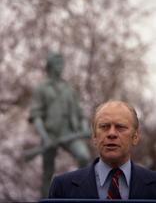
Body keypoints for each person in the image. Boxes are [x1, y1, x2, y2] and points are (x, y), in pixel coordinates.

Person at [48, 100, 156, 200]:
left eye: (120, 127)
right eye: (104, 126)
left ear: (135, 137)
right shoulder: (63, 187)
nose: (111, 134)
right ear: (94, 136)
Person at [28, 51, 90, 198]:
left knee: (84, 156)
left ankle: (80, 194)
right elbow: (36, 116)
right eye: (57, 63)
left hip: (70, 133)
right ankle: (45, 199)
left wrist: (85, 127)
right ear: (50, 65)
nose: (61, 66)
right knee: (48, 172)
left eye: (62, 63)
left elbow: (80, 114)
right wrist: (45, 136)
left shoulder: (69, 89)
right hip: (49, 134)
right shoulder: (41, 88)